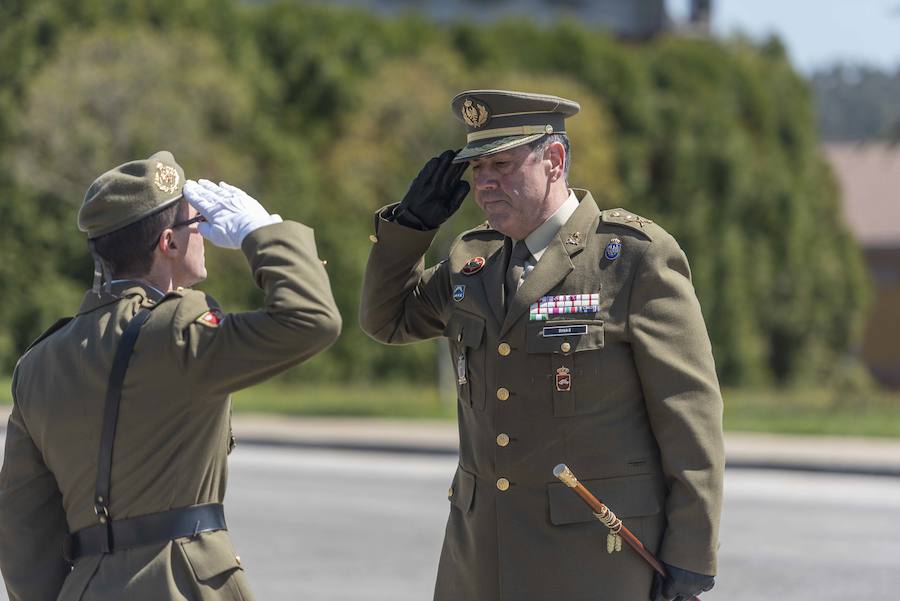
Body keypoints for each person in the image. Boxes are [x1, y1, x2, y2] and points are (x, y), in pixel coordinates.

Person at [359, 90, 723, 601]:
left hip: (591, 560)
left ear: (553, 160)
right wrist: (410, 229)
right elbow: (386, 320)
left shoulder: (631, 258)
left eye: (501, 164)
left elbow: (689, 413)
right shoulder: (473, 259)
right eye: (476, 168)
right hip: (480, 558)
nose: (484, 182)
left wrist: (691, 551)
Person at [0, 151, 341, 601]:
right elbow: (311, 319)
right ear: (170, 243)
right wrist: (261, 233)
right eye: (195, 222)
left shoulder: (38, 362)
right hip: (180, 584)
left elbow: (23, 532)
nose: (203, 232)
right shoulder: (179, 329)